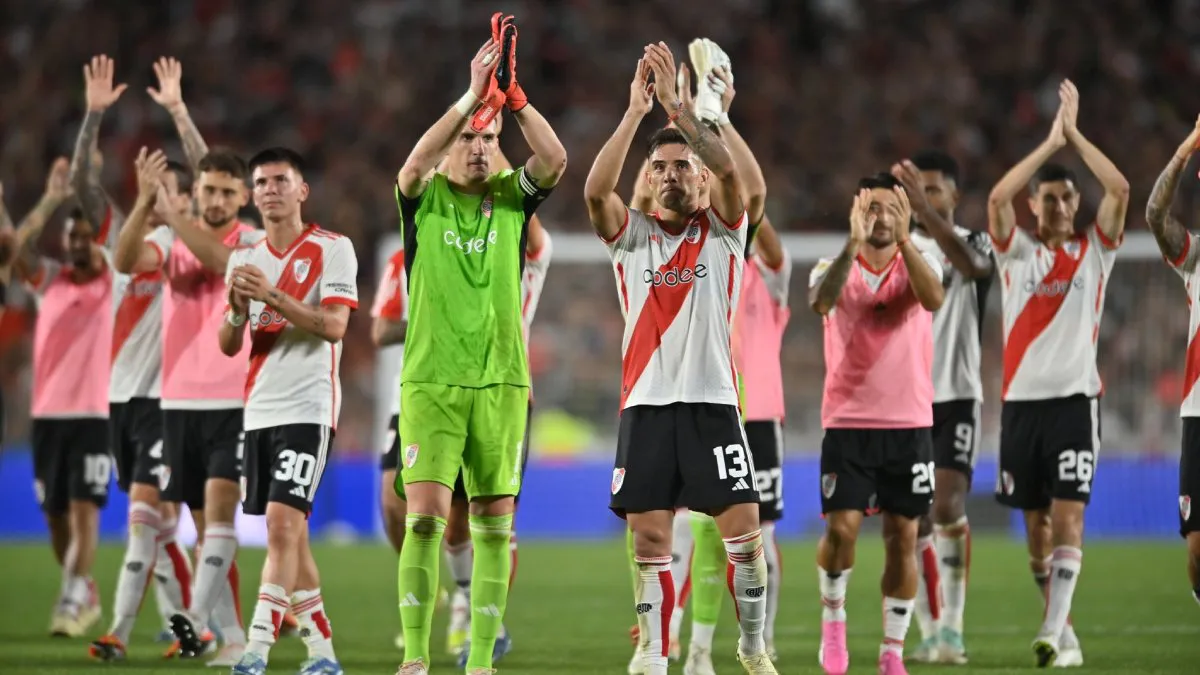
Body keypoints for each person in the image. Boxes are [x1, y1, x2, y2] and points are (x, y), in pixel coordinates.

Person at [584, 43, 775, 675]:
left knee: (744, 538)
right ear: (649, 178)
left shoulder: (724, 231)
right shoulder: (631, 237)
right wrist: (635, 114)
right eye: (660, 167)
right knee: (650, 541)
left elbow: (735, 176)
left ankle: (752, 646)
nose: (671, 175)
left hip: (713, 404)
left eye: (683, 166)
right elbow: (595, 190)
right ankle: (652, 650)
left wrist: (683, 112)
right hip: (645, 406)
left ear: (701, 178)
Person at [391, 22, 566, 675]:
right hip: (431, 381)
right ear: (449, 149)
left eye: (488, 141)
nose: (478, 148)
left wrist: (514, 101)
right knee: (425, 519)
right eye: (467, 139)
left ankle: (482, 660)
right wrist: (470, 98)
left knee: (494, 523)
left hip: (501, 383)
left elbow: (554, 161)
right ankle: (415, 657)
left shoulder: (511, 200)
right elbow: (412, 165)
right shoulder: (424, 200)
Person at [986, 79, 1128, 667]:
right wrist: (1050, 144)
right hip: (1021, 407)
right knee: (1036, 528)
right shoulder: (1015, 252)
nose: (1062, 208)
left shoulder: (1096, 253)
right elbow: (997, 197)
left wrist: (1076, 136)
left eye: (1069, 199)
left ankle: (1050, 628)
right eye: (1049, 200)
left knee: (1069, 515)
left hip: (1074, 404)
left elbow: (1119, 189)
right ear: (1035, 206)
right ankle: (1063, 631)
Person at [114, 141, 263, 664]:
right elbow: (125, 260)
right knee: (203, 528)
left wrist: (175, 217)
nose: (216, 200)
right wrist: (144, 202)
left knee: (219, 512)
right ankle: (232, 638)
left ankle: (200, 622)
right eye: (208, 190)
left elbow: (221, 262)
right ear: (196, 191)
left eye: (226, 192)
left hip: (233, 401)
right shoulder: (167, 237)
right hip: (176, 404)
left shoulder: (254, 241)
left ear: (243, 197)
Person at [220, 147, 354, 675]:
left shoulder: (332, 248)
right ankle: (322, 654)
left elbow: (334, 326)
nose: (270, 189)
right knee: (291, 535)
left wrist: (271, 295)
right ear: (253, 196)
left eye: (281, 180)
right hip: (259, 409)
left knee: (280, 526)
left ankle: (256, 649)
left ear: (302, 190)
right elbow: (229, 344)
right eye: (261, 182)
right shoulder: (243, 258)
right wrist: (236, 309)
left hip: (308, 406)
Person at [808, 172, 945, 675]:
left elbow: (933, 299)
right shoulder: (831, 266)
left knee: (903, 537)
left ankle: (892, 651)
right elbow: (820, 302)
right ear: (855, 213)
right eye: (871, 208)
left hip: (909, 426)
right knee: (841, 532)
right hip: (847, 424)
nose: (881, 217)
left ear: (905, 214)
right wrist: (852, 243)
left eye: (891, 207)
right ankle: (834, 623)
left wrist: (907, 241)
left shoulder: (921, 263)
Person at [88, 146, 196, 661]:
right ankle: (193, 626)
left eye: (168, 191)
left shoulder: (180, 245)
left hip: (162, 400)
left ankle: (119, 631)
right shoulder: (130, 239)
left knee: (143, 516)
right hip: (119, 399)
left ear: (186, 199)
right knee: (164, 523)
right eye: (153, 189)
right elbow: (119, 252)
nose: (157, 198)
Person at [899, 151, 994, 664]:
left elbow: (974, 267)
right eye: (920, 190)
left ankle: (953, 629)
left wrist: (922, 211)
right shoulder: (900, 246)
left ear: (955, 195)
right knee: (913, 520)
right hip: (906, 402)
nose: (925, 198)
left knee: (947, 506)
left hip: (957, 395)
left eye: (934, 189)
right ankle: (930, 630)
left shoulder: (974, 242)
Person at [14, 157, 111, 639]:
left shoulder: (112, 282)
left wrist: (90, 182)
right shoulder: (49, 279)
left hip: (94, 414)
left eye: (86, 236)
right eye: (72, 236)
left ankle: (72, 595)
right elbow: (13, 249)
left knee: (84, 507)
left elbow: (116, 231)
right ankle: (81, 584)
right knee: (55, 516)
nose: (77, 243)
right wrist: (52, 198)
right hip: (47, 415)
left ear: (99, 240)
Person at [1144, 116, 1200, 611]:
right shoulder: (1196, 253)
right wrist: (1185, 150)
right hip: (1199, 415)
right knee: (1198, 549)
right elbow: (1155, 214)